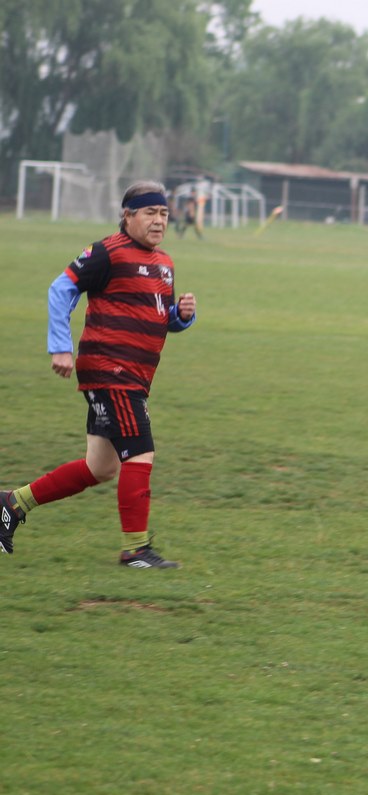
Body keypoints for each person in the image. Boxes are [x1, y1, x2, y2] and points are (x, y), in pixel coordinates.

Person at [1, 181, 197, 567]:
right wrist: (60, 345)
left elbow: (160, 318)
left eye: (163, 214)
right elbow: (61, 289)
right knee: (140, 453)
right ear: (128, 216)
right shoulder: (107, 252)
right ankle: (136, 550)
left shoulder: (165, 263)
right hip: (112, 370)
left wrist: (181, 316)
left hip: (134, 375)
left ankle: (12, 503)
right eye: (150, 213)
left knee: (101, 467)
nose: (159, 221)